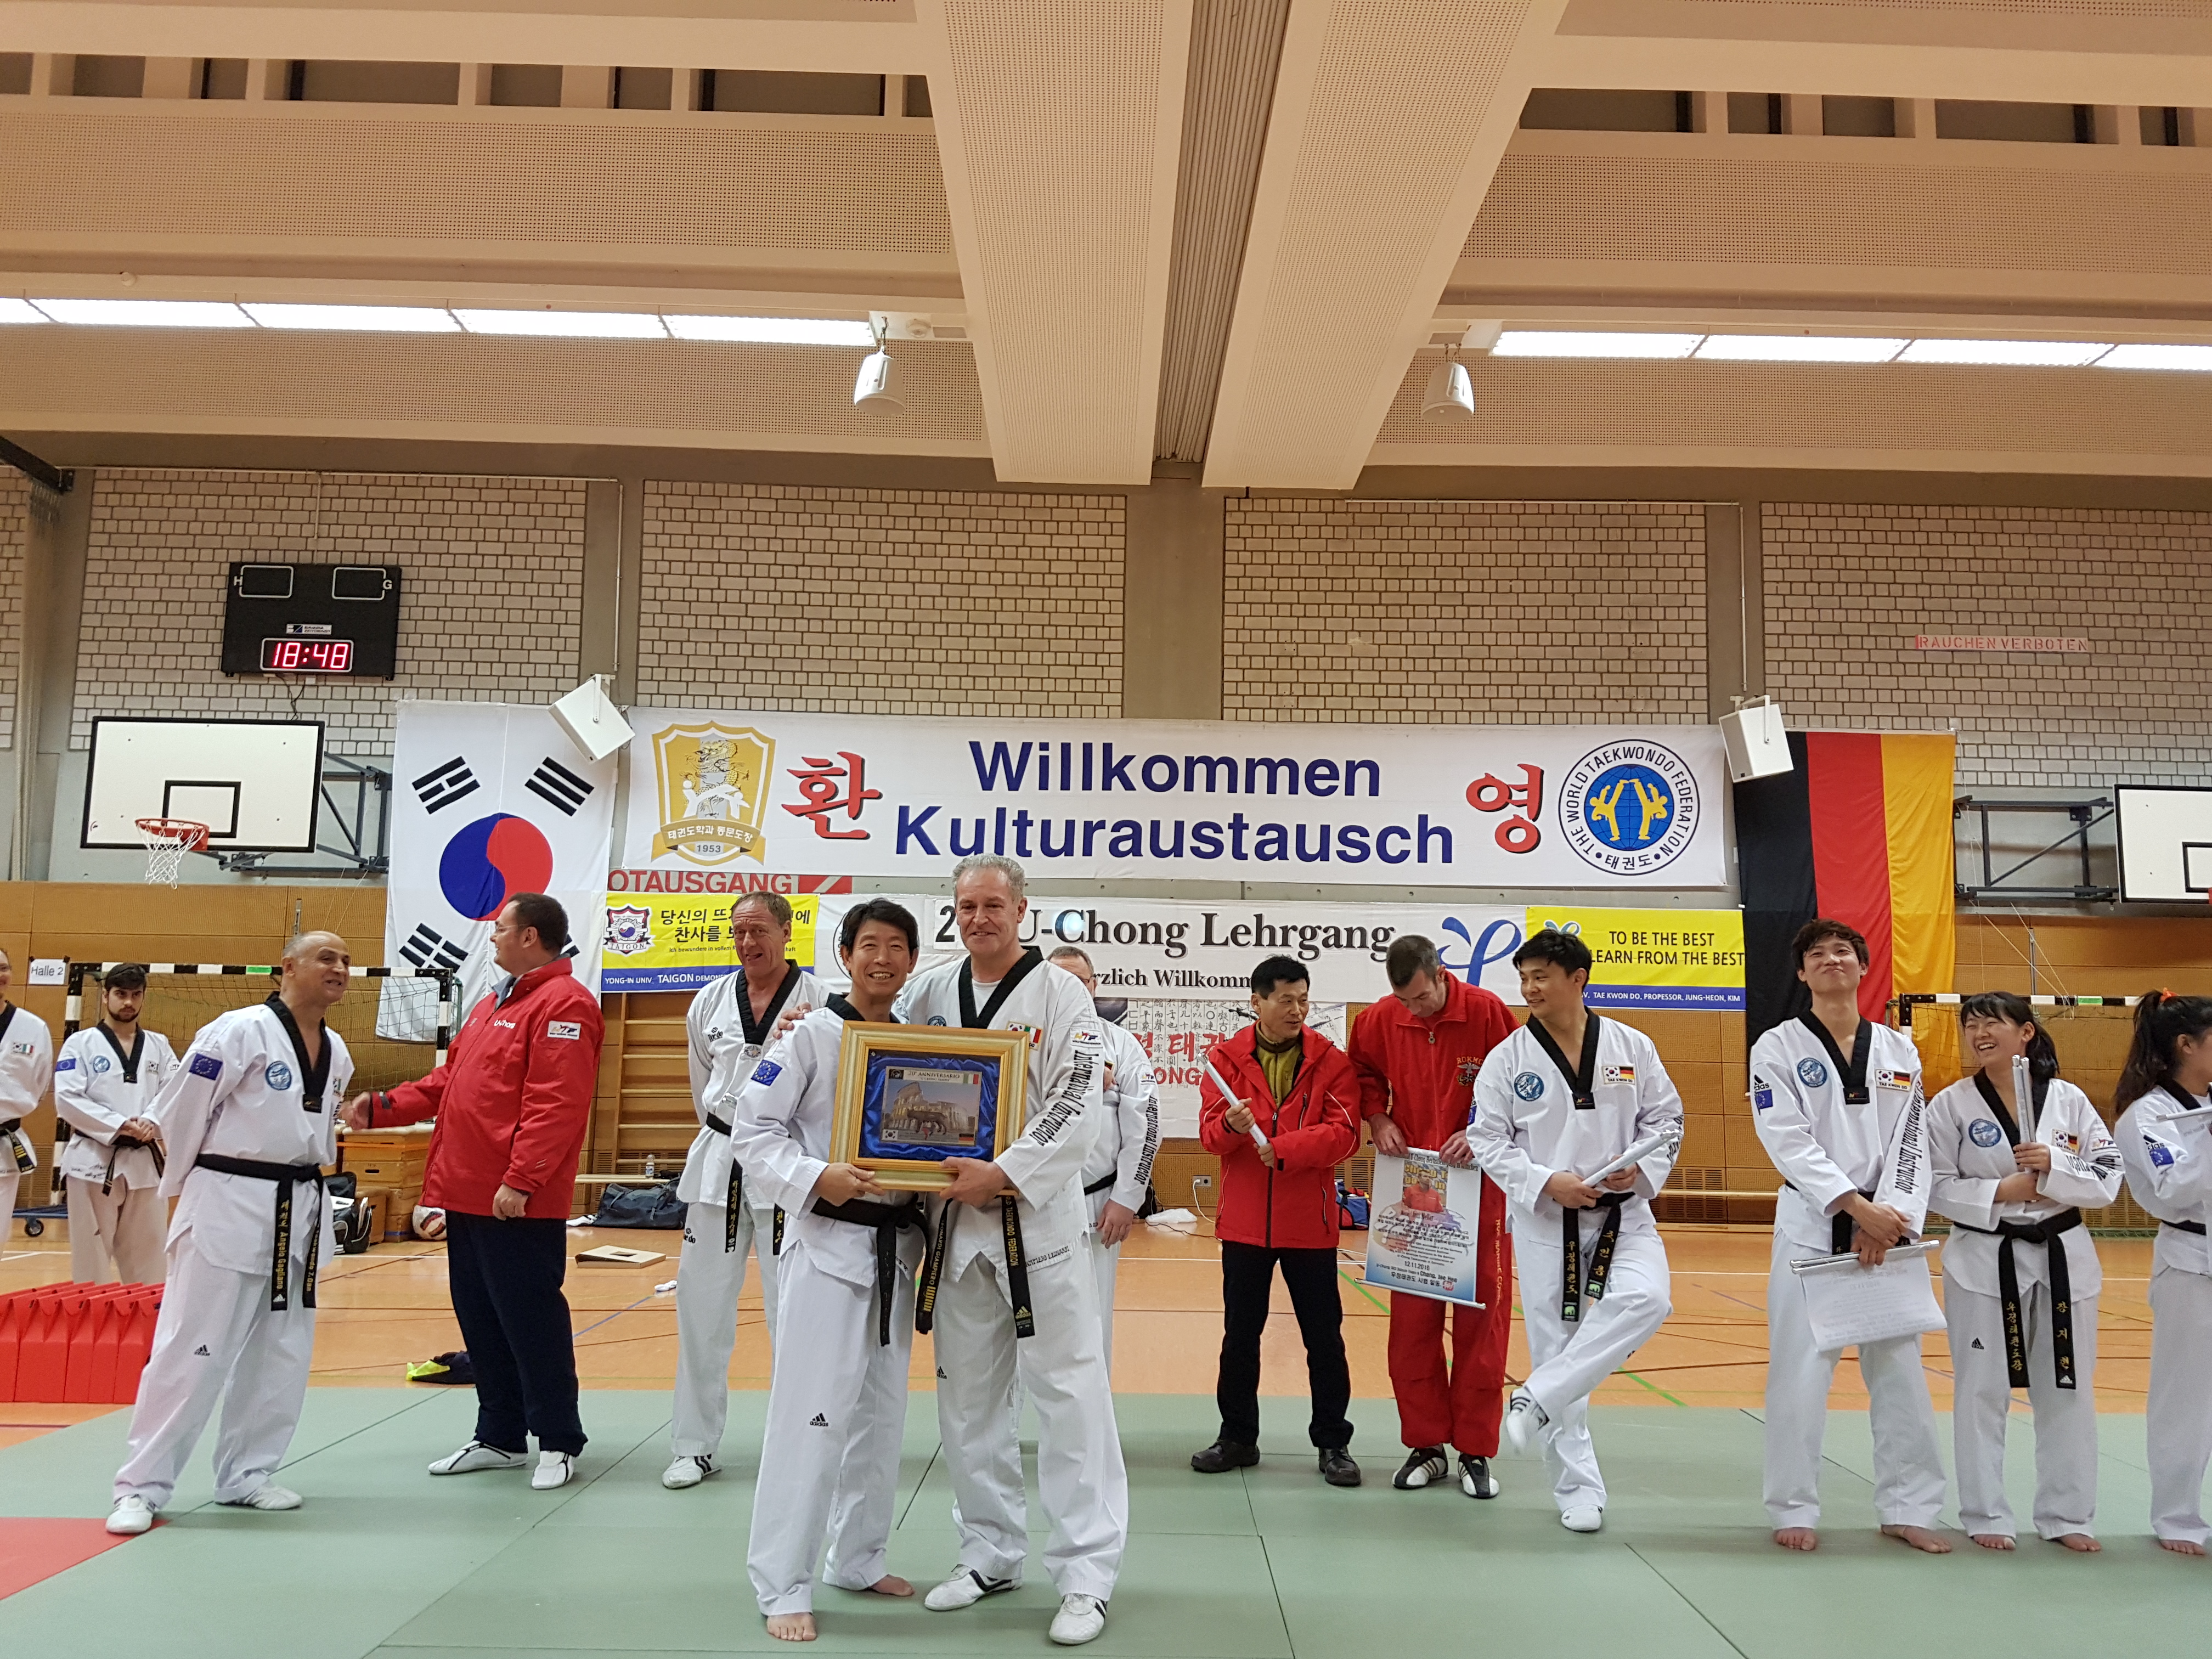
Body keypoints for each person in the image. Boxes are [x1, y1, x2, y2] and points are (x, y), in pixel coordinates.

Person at [894, 855, 1122, 1650]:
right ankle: (989, 1554)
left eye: (994, 904)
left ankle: (1087, 1573)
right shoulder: (929, 992)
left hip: (1037, 1224)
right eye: (967, 906)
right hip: (955, 1229)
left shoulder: (1061, 993)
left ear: (1023, 910)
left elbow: (1077, 1101)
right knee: (968, 1404)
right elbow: (881, 1069)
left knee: (1068, 1396)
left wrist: (1007, 1171)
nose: (980, 918)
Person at [345, 894, 603, 1493]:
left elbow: (557, 1103)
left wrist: (523, 1178)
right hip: (465, 1194)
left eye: (501, 929)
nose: (493, 938)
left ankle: (559, 1439)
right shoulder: (493, 1004)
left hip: (515, 1200)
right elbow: (450, 1082)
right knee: (482, 1321)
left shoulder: (565, 1003)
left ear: (531, 937)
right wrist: (382, 1107)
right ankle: (500, 1436)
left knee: (531, 1321)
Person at [105, 931, 357, 1535]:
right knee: (192, 1350)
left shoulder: (338, 1050)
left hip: (299, 1206)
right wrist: (186, 1193)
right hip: (228, 1198)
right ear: (287, 967)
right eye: (326, 957)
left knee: (281, 1354)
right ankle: (140, 1486)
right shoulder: (237, 1030)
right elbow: (180, 1114)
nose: (340, 968)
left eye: (347, 961)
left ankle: (247, 1474)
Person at [728, 899, 929, 1641]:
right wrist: (817, 1176)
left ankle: (858, 1557)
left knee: (881, 1416)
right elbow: (753, 1128)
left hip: (896, 1254)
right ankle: (782, 1580)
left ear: (912, 962)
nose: (883, 959)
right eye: (869, 945)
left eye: (897, 947)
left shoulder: (919, 1042)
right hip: (826, 1246)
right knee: (810, 1420)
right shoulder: (809, 1034)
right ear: (845, 955)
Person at [1466, 928, 1680, 1535]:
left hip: (1623, 1215)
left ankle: (1536, 1397)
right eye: (1524, 978)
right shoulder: (1508, 1059)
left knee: (1649, 1297)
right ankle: (1579, 1489)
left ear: (1578, 979)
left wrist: (1642, 1167)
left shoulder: (1633, 1045)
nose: (1530, 988)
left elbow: (1667, 1120)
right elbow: (1486, 1139)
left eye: (1541, 976)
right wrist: (1544, 1181)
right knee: (1557, 1349)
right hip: (1545, 1222)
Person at [1751, 917, 1947, 1554]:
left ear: (1864, 968)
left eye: (1844, 951)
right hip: (1813, 1228)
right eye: (1818, 954)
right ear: (1802, 973)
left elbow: (1912, 1141)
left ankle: (1909, 1506)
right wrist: (1856, 1208)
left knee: (1901, 1374)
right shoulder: (1776, 1048)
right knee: (1800, 1374)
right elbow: (1786, 1140)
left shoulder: (1897, 1050)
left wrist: (1889, 1217)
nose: (1831, 959)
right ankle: (1794, 1506)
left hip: (1888, 1232)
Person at [1927, 991, 2120, 1553]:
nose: (1980, 1033)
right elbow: (1934, 1185)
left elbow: (2109, 1176)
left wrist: (2056, 1165)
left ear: (2027, 1033)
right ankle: (1986, 1512)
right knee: (1982, 1390)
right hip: (1985, 1259)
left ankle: (2068, 1514)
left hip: (2063, 1254)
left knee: (2067, 1388)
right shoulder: (1951, 1105)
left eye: (1993, 1022)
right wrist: (2002, 1191)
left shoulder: (2068, 1099)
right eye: (1971, 1025)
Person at [1348, 933, 1516, 1497]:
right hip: (1411, 1192)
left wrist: (1481, 1131)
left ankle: (1475, 1449)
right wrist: (1378, 1118)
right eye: (1405, 1001)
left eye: (1422, 998)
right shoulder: (1379, 1020)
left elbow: (1522, 1088)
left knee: (1482, 1326)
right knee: (1412, 1327)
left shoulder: (1488, 1014)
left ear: (1442, 974)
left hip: (1480, 1193)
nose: (1414, 1010)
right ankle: (1425, 1444)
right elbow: (1361, 1074)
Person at [663, 891, 822, 1489]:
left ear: (786, 931)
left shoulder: (820, 1001)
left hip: (788, 1162)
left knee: (795, 1312)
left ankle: (797, 1447)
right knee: (700, 1309)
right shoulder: (708, 1001)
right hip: (720, 1159)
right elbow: (701, 1084)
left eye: (759, 931)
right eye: (739, 932)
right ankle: (693, 1445)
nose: (748, 942)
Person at [1192, 955, 1363, 1487]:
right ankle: (1237, 1437)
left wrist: (1286, 1149)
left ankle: (1333, 1442)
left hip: (1310, 1225)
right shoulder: (1223, 1060)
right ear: (1257, 1002)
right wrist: (1231, 1124)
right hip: (1245, 1225)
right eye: (1286, 1000)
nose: (1297, 1010)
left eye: (1303, 1000)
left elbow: (1347, 1134)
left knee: (1324, 1339)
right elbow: (1209, 1137)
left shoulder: (1331, 1061)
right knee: (1240, 1337)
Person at [2115, 991, 2212, 1555]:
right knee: (2186, 1396)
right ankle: (2177, 1516)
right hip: (2191, 1264)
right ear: (2186, 1046)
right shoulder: (2148, 1117)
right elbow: (2172, 1188)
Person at [1046, 945, 1159, 1370]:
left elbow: (1145, 1124)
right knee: (1027, 1315)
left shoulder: (1122, 1044)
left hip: (1097, 1202)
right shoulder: (1024, 1038)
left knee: (1092, 1317)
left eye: (1080, 981)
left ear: (1094, 987)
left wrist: (1128, 1197)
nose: (1071, 989)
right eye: (1060, 980)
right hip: (1031, 1200)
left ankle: (1094, 1411)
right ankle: (1015, 1412)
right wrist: (1089, 1071)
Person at [55, 963, 179, 1284]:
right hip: (92, 1162)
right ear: (106, 995)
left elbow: (174, 1093)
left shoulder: (159, 1045)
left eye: (136, 995)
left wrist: (151, 1121)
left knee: (151, 1262)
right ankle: (90, 1317)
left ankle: (146, 1318)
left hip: (145, 1163)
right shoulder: (80, 1044)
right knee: (91, 1262)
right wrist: (120, 1124)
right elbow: (67, 1098)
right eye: (121, 994)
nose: (128, 1002)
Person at [0, 946, 55, 1245]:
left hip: (3, 1142)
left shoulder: (33, 1028)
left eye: (3, 968)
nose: (0, 975)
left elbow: (40, 1085)